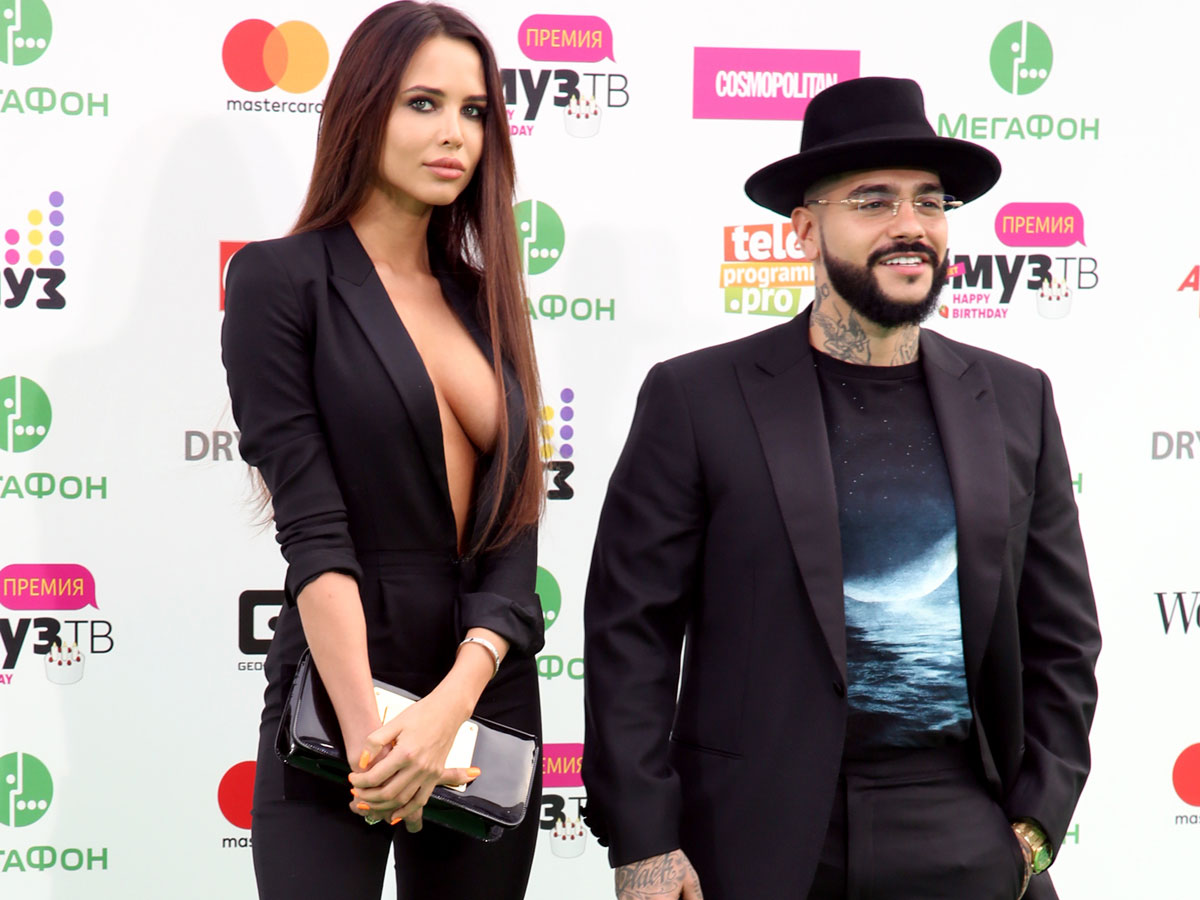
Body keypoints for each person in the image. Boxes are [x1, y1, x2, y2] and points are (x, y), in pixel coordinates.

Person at [581, 77, 1100, 900]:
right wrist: (643, 841)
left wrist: (1036, 823)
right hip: (754, 837)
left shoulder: (1015, 398)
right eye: (874, 201)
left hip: (962, 828)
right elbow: (630, 634)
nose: (910, 225)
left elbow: (1062, 634)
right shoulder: (698, 398)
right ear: (803, 230)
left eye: (930, 202)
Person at [221, 4, 545, 898]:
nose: (455, 135)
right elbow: (313, 531)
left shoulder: (487, 297)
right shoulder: (280, 280)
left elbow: (515, 526)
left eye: (474, 111)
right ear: (363, 109)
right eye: (423, 103)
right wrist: (372, 742)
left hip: (484, 690)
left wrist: (455, 699)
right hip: (338, 688)